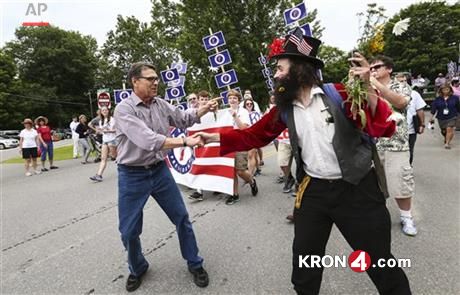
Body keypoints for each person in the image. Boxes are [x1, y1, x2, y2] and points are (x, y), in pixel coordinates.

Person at [194, 28, 411, 295]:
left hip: (357, 190)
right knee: (305, 264)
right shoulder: (284, 109)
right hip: (314, 191)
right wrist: (211, 136)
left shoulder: (340, 94)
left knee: (380, 263)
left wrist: (367, 87)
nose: (275, 75)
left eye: (280, 68)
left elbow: (381, 127)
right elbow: (252, 135)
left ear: (299, 69)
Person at [113, 62, 218, 292]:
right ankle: (137, 267)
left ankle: (195, 263)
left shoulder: (160, 104)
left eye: (157, 78)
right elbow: (148, 140)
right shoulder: (124, 109)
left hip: (159, 170)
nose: (155, 82)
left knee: (181, 217)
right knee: (129, 231)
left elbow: (182, 118)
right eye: (150, 78)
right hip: (132, 175)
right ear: (135, 82)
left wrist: (204, 109)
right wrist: (184, 141)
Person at [370, 56, 418, 237]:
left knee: (400, 183)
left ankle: (406, 217)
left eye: (377, 67)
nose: (373, 70)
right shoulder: (367, 88)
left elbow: (400, 103)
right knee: (375, 187)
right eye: (371, 68)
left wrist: (376, 84)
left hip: (396, 144)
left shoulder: (400, 85)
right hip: (373, 145)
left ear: (389, 69)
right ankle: (378, 218)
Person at [223, 90, 259, 205]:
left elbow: (244, 128)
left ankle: (252, 181)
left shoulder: (243, 111)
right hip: (228, 143)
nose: (232, 100)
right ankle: (234, 194)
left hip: (240, 142)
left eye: (235, 98)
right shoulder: (224, 112)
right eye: (230, 98)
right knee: (230, 170)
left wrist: (235, 117)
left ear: (239, 101)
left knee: (240, 171)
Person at [189, 90, 210, 201]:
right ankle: (199, 191)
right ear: (199, 100)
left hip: (211, 142)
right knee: (198, 164)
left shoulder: (214, 111)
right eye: (202, 99)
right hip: (199, 143)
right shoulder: (194, 113)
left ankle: (217, 186)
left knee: (211, 165)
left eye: (206, 99)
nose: (204, 101)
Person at [90, 107, 117, 182]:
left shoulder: (112, 119)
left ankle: (128, 169)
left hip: (113, 140)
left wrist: (108, 131)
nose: (104, 111)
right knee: (103, 158)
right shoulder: (101, 121)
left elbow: (117, 130)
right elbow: (102, 131)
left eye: (106, 110)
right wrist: (99, 131)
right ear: (100, 112)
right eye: (103, 110)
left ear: (108, 111)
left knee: (115, 157)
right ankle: (99, 175)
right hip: (105, 141)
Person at [429, 84, 460, 149]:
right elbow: (433, 109)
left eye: (447, 89)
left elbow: (458, 107)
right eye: (444, 90)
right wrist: (431, 117)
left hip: (452, 116)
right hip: (441, 117)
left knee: (449, 129)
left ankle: (447, 143)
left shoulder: (455, 98)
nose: (445, 91)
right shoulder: (438, 99)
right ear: (441, 91)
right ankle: (446, 137)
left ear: (450, 90)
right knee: (444, 131)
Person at [243, 98, 262, 176]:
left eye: (251, 104)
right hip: (246, 135)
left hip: (255, 135)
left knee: (252, 154)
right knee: (252, 154)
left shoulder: (256, 113)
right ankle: (257, 168)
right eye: (247, 104)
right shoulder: (242, 113)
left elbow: (260, 123)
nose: (249, 105)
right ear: (245, 105)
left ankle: (252, 172)